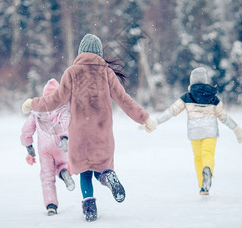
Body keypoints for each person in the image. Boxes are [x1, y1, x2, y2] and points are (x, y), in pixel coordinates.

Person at [22, 34, 156, 222]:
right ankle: (108, 176)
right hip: (102, 132)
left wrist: (33, 103)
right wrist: (144, 118)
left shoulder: (71, 72)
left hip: (79, 133)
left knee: (85, 171)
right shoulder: (107, 73)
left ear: (80, 52)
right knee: (102, 167)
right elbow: (124, 99)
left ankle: (89, 206)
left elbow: (54, 100)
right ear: (99, 53)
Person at [142, 67, 242, 195]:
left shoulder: (187, 96)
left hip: (194, 132)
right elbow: (224, 117)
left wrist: (155, 122)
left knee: (198, 158)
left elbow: (171, 112)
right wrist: (235, 128)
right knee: (208, 154)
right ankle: (208, 171)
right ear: (205, 81)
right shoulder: (213, 98)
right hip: (210, 132)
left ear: (191, 82)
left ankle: (203, 186)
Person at [21, 78, 75, 216]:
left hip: (44, 148)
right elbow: (66, 122)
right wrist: (64, 137)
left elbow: (27, 129)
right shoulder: (61, 108)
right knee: (62, 164)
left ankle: (51, 206)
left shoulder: (36, 110)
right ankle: (63, 172)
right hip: (59, 144)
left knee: (47, 176)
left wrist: (29, 147)